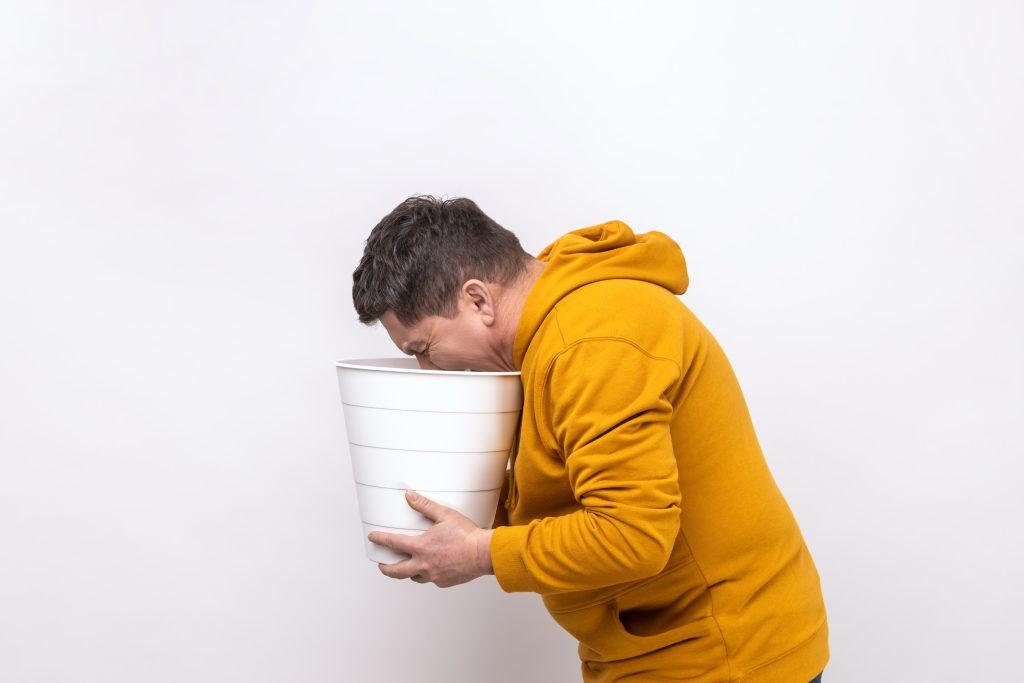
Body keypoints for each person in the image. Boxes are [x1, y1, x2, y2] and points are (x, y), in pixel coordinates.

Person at [351, 195, 829, 683]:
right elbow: (566, 475)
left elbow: (632, 535)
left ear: (478, 299)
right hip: (656, 651)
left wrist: (478, 553)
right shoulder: (549, 330)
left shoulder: (592, 342)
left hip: (724, 659)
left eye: (426, 350)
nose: (429, 373)